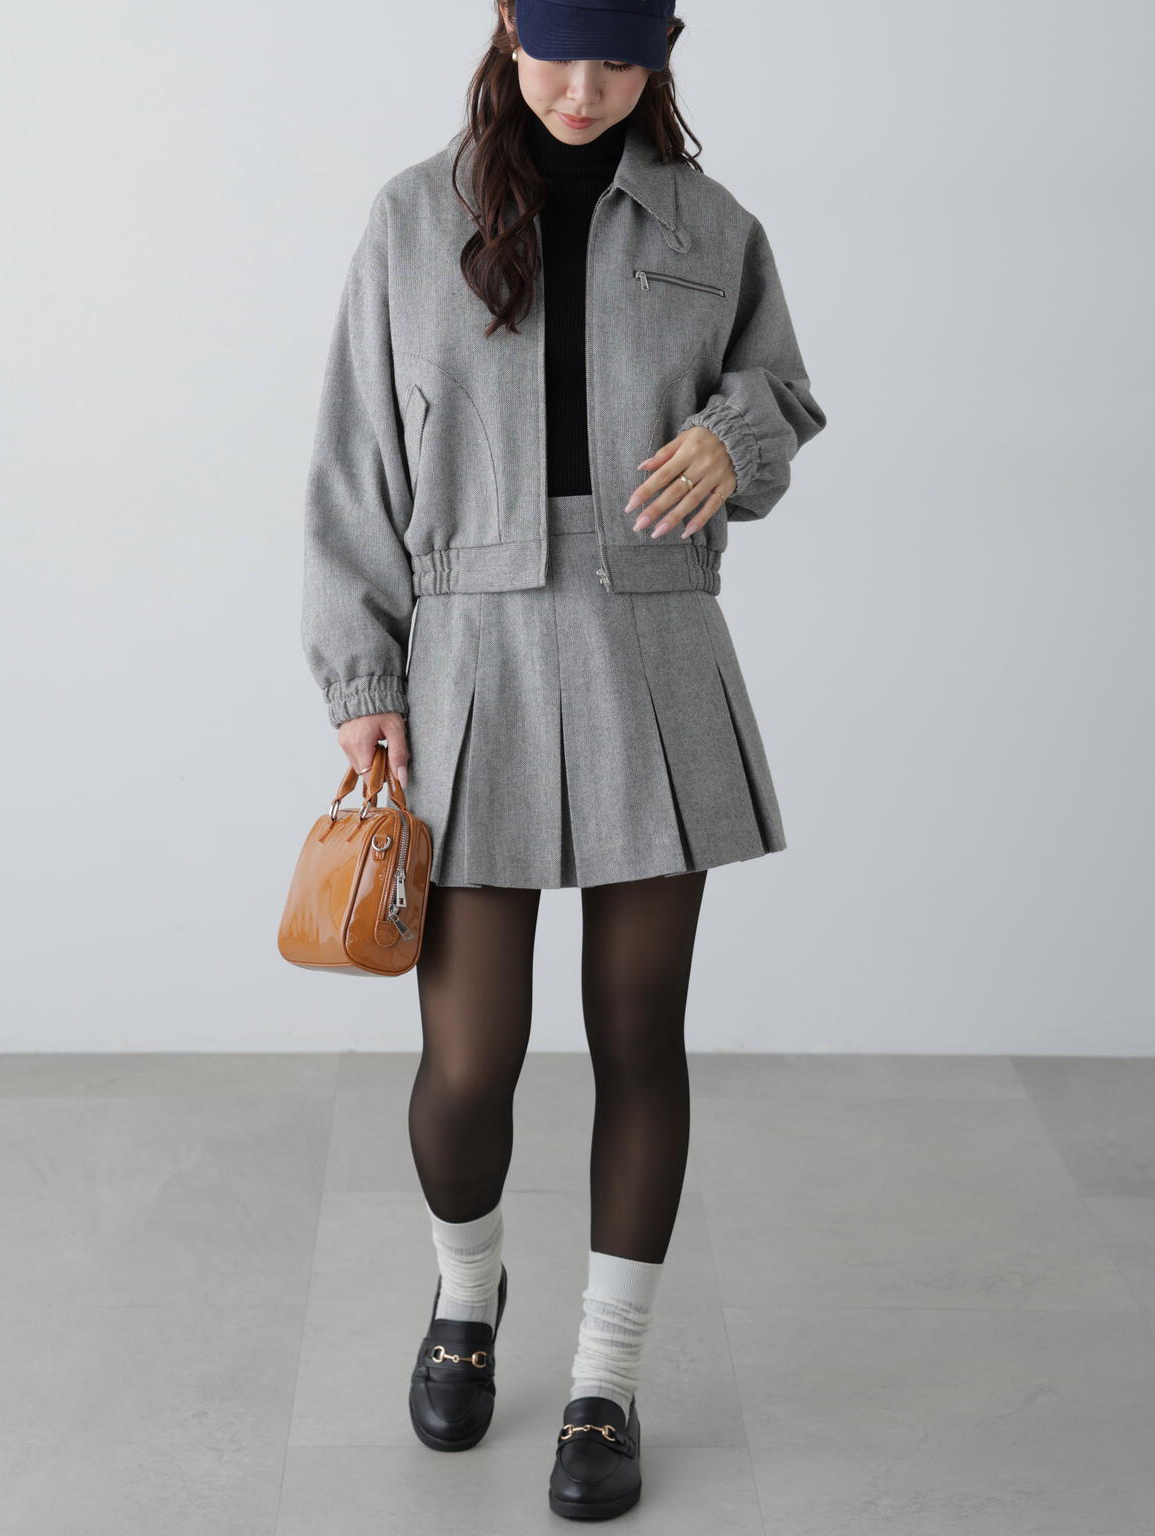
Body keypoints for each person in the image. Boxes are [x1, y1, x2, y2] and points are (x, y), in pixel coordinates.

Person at [299, 0, 826, 1518]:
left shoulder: (714, 227)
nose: (584, 88)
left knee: (638, 1034)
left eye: (619, 56)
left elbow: (784, 392)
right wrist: (362, 673)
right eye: (556, 51)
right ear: (506, 28)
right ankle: (468, 1294)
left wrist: (736, 437)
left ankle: (606, 1380)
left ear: (663, 50)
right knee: (467, 1067)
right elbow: (352, 459)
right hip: (465, 654)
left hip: (653, 648)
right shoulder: (414, 219)